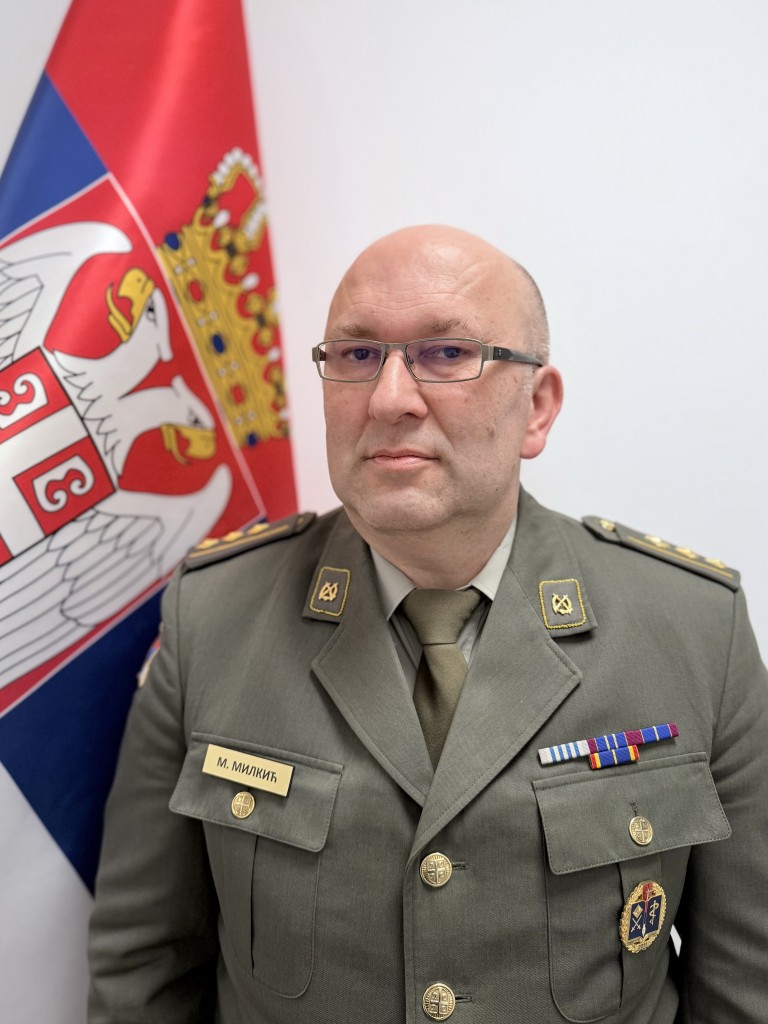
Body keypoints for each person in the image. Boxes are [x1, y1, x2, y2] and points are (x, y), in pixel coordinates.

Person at [88, 225, 768, 1023]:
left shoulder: (692, 630)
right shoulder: (215, 617)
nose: (389, 398)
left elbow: (746, 984)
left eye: (446, 354)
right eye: (356, 354)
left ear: (537, 407)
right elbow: (142, 968)